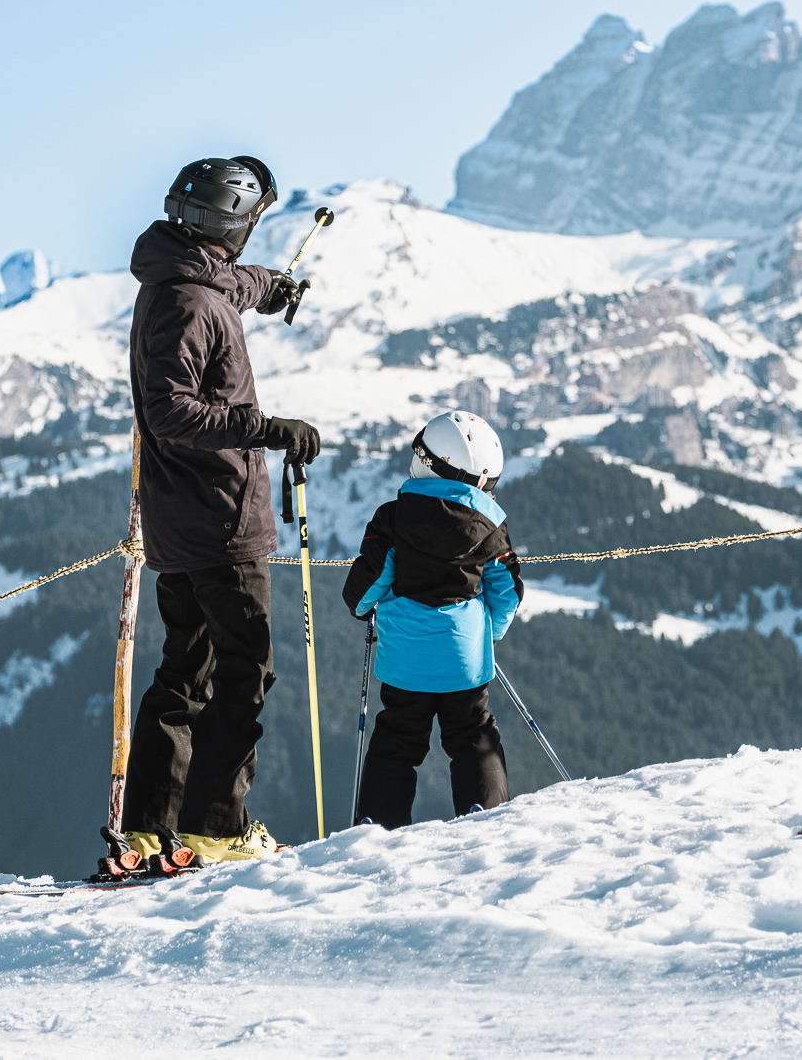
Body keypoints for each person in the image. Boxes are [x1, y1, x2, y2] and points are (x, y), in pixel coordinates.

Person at [123, 155, 321, 864]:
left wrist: (272, 288)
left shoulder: (179, 278)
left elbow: (227, 284)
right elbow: (171, 410)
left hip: (183, 520)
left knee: (186, 670)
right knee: (245, 671)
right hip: (220, 517)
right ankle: (217, 826)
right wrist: (266, 428)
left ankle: (150, 829)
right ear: (230, 224)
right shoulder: (191, 302)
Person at [344, 410, 523, 828]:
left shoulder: (393, 516)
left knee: (397, 740)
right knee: (473, 733)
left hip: (405, 657)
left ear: (429, 460)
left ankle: (378, 824)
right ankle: (487, 815)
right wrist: (487, 636)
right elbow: (507, 592)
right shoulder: (490, 523)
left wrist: (366, 609)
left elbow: (364, 591)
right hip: (465, 655)